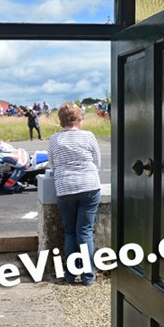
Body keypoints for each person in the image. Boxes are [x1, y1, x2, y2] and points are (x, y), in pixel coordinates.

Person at [47, 102, 101, 285]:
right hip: (89, 186)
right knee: (85, 231)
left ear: (62, 121)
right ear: (78, 119)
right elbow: (97, 162)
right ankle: (88, 276)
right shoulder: (88, 137)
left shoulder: (54, 139)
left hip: (65, 188)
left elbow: (52, 165)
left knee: (70, 232)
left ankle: (70, 274)